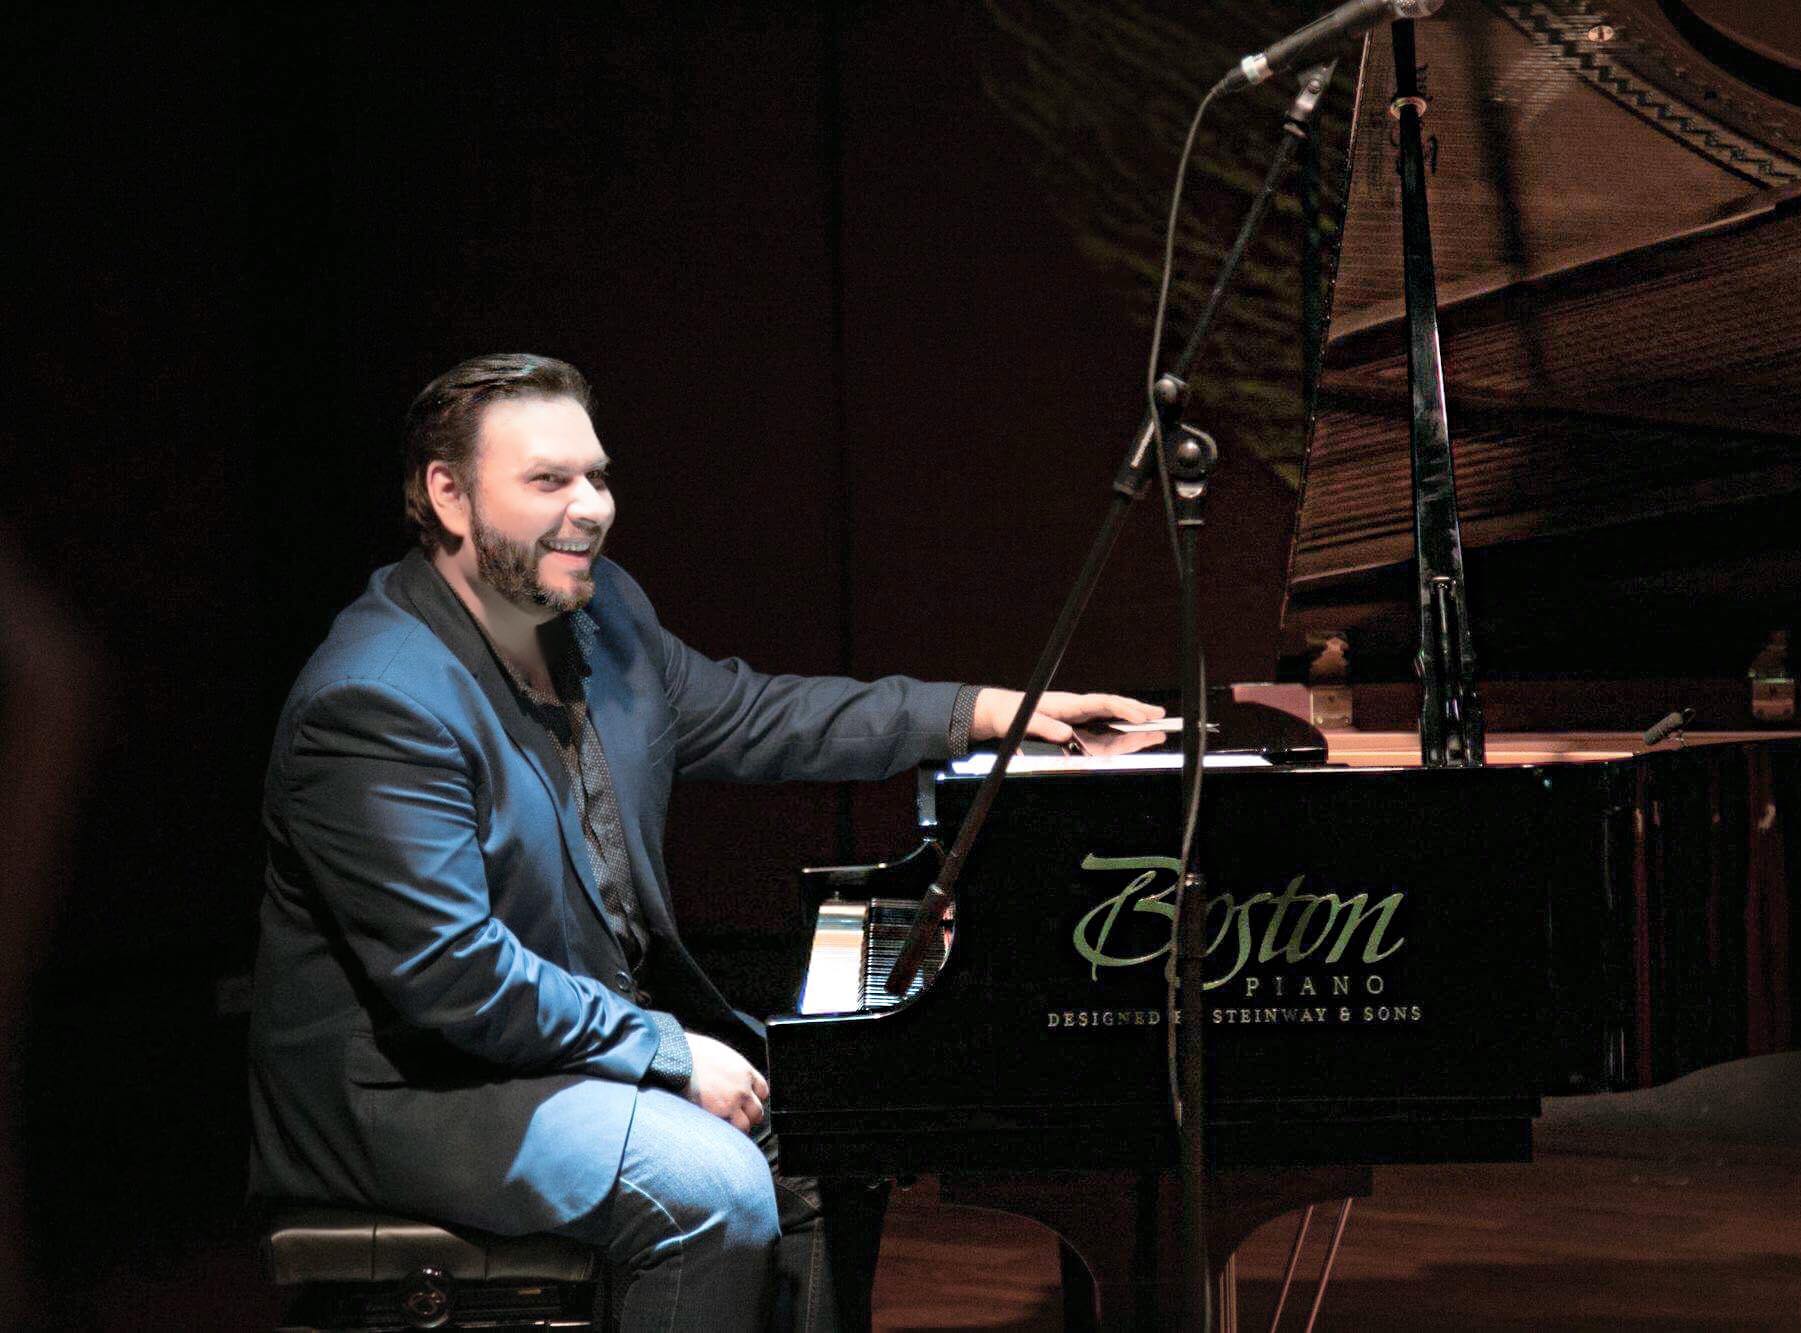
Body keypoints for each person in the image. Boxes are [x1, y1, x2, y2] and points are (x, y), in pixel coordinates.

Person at [248, 352, 1161, 1330]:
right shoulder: (377, 701)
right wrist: (666, 1051)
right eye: (548, 480)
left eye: (596, 476)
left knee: (828, 1129)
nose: (591, 508)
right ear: (448, 495)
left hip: (547, 1044)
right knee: (710, 1188)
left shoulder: (598, 613)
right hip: (416, 1089)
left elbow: (759, 715)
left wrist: (987, 714)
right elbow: (455, 980)